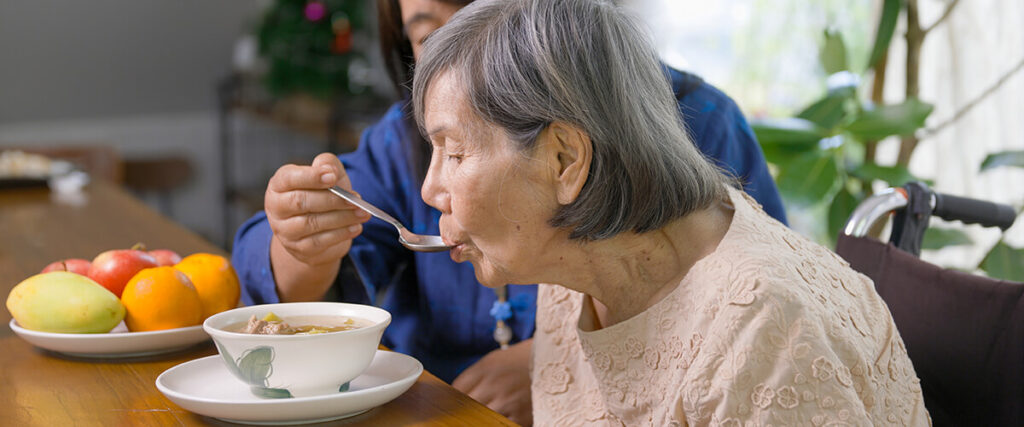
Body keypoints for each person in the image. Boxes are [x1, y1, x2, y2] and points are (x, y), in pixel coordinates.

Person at [231, 0, 785, 423]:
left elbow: (746, 311)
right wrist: (302, 241)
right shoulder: (399, 144)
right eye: (432, 36)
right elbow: (294, 299)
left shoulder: (699, 124)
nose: (430, 191)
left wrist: (560, 361)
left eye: (485, 15)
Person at [410, 0, 930, 425]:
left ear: (565, 159)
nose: (431, 189)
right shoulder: (572, 270)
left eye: (453, 152)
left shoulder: (762, 337)